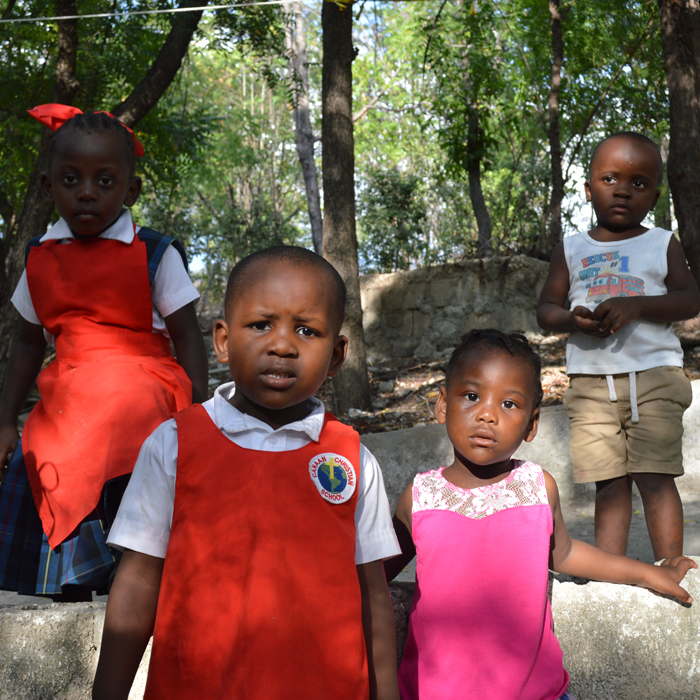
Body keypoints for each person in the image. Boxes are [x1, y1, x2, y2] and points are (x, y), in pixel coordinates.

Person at [92, 246, 401, 700]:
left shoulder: (351, 459)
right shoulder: (175, 444)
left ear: (336, 357)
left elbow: (372, 594)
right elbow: (138, 580)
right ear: (222, 339)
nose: (281, 344)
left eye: (306, 330)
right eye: (261, 325)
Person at [385, 328, 696, 700]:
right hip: (436, 692)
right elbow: (373, 574)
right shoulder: (419, 498)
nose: (487, 415)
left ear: (532, 425)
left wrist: (648, 573)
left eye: (509, 404)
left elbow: (563, 554)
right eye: (471, 396)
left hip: (535, 692)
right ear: (441, 405)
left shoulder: (536, 488)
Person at [0, 105, 208, 603]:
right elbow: (29, 342)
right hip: (69, 386)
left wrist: (202, 410)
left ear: (129, 191)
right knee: (45, 438)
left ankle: (129, 562)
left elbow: (188, 336)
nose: (87, 192)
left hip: (144, 381)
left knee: (121, 414)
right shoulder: (39, 256)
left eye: (105, 181)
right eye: (71, 180)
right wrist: (6, 419)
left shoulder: (154, 253)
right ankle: (70, 576)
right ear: (50, 188)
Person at [537, 132, 700, 560]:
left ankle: (672, 571)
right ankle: (610, 576)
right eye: (610, 178)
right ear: (589, 188)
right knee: (608, 483)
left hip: (655, 378)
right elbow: (546, 310)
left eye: (639, 183)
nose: (623, 190)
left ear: (656, 195)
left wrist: (637, 305)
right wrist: (573, 321)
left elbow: (689, 299)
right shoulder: (570, 250)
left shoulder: (662, 243)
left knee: (654, 476)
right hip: (591, 386)